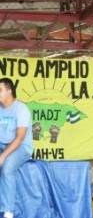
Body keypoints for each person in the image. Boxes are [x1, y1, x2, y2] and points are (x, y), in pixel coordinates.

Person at [0, 78, 33, 218]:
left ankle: (7, 211)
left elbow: (19, 138)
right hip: (2, 144)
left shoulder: (21, 109)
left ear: (9, 91)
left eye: (0, 90)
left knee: (7, 168)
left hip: (21, 147)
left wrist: (2, 156)